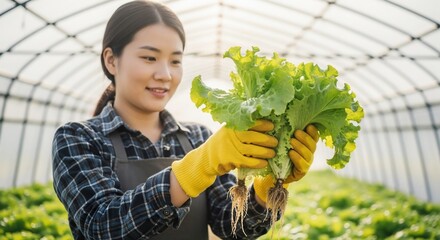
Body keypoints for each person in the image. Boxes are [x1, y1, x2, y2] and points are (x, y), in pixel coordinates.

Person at [51, 1, 319, 239]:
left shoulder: (198, 137)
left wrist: (267, 187)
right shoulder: (78, 139)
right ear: (111, 60)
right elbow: (102, 227)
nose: (165, 74)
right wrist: (195, 169)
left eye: (175, 61)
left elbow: (231, 226)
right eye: (149, 58)